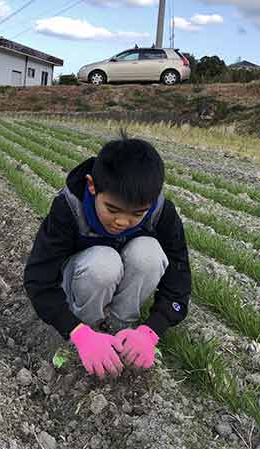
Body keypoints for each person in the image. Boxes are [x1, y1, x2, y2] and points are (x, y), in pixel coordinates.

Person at [23, 133, 191, 379]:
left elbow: (179, 277)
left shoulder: (161, 212)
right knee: (104, 262)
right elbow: (38, 279)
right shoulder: (69, 208)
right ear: (92, 186)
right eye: (112, 209)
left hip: (124, 275)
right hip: (82, 281)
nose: (122, 221)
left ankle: (123, 332)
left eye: (137, 213)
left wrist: (152, 330)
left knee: (150, 253)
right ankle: (90, 333)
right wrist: (77, 332)